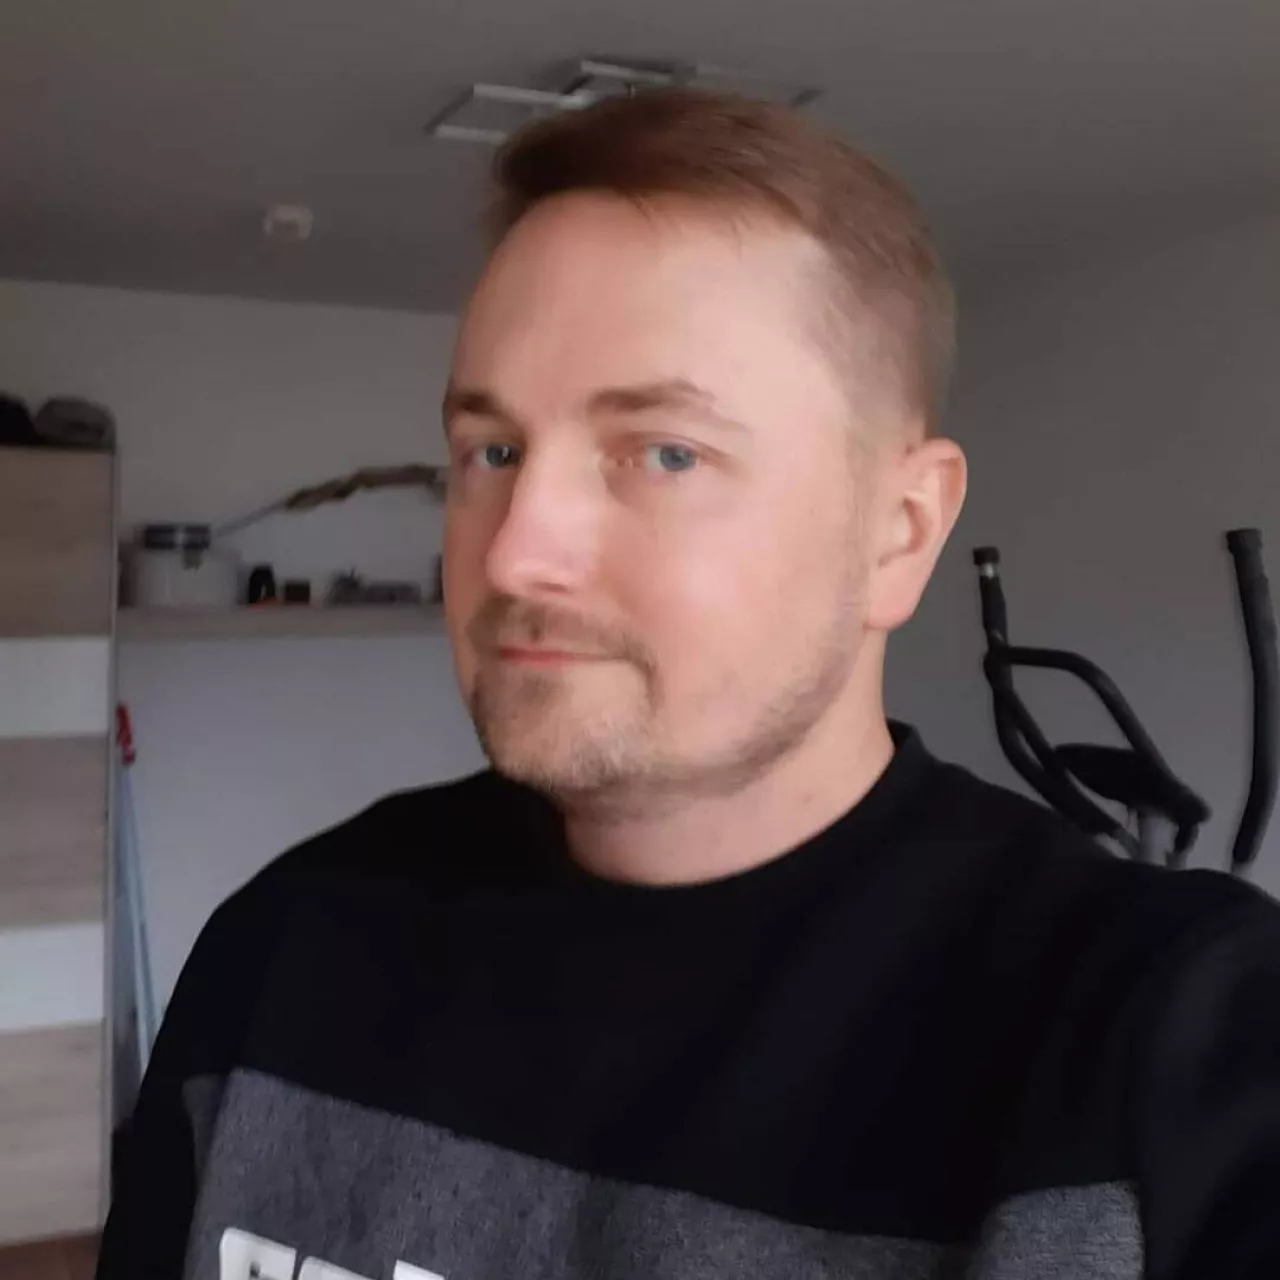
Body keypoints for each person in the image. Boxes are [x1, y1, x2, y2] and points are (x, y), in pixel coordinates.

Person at [98, 89, 1280, 1280]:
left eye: (664, 452)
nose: (512, 553)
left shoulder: (1174, 1051)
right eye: (491, 451)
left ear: (900, 530)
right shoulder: (283, 951)